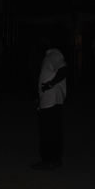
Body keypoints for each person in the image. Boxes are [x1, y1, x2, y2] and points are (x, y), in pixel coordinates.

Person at [33, 33, 66, 170]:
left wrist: (50, 84)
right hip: (47, 100)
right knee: (52, 131)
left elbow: (63, 70)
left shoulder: (54, 54)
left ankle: (48, 160)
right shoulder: (48, 56)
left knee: (48, 132)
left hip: (51, 101)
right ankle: (53, 160)